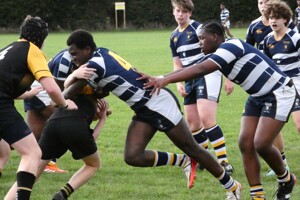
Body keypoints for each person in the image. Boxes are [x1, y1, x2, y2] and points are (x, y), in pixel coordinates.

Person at [60, 29, 242, 199]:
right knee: (132, 156)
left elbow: (67, 94)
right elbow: (103, 89)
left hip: (158, 104)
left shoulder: (92, 66)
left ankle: (232, 186)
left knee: (193, 148)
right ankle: (183, 161)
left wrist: (71, 76)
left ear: (87, 49)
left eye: (75, 54)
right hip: (145, 107)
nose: (73, 59)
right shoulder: (102, 53)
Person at [144, 19, 297, 200]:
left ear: (215, 37)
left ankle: (286, 179)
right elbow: (195, 66)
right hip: (257, 96)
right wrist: (160, 78)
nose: (199, 42)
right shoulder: (218, 52)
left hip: (279, 92)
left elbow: (200, 68)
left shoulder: (231, 46)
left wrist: (165, 81)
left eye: (202, 38)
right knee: (244, 144)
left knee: (261, 144)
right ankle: (258, 196)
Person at [4, 57, 110, 200]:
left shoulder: (74, 89)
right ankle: (63, 194)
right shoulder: (91, 102)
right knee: (93, 164)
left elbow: (62, 93)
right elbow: (90, 139)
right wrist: (102, 119)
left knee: (32, 172)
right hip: (73, 125)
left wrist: (73, 75)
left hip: (53, 123)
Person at [0, 15, 77, 200]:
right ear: (41, 39)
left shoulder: (8, 48)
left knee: (4, 153)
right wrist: (65, 103)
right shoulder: (32, 50)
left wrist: (26, 94)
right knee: (32, 153)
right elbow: (51, 87)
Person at [170, 0, 234, 174]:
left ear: (190, 13)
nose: (180, 14)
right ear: (173, 12)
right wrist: (178, 82)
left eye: (184, 11)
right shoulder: (174, 36)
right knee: (193, 122)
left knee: (206, 118)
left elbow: (222, 51)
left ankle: (223, 161)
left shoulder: (199, 29)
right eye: (177, 11)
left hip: (207, 74)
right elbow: (177, 63)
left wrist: (228, 78)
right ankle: (205, 159)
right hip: (189, 79)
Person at [245, 0, 298, 176]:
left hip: (296, 84)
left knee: (299, 125)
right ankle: (283, 163)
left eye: (277, 18)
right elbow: (267, 65)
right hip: (278, 88)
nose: (273, 21)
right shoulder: (268, 41)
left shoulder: (295, 37)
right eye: (271, 17)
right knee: (271, 125)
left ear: (285, 19)